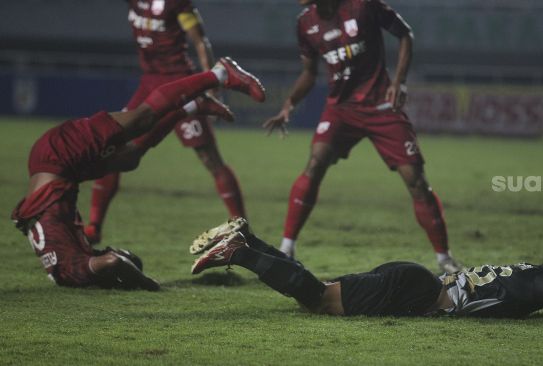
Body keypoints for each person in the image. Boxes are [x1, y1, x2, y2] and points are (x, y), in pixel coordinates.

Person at [11, 59, 265, 290]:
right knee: (129, 158)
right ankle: (190, 107)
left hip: (60, 158)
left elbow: (112, 262)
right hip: (56, 168)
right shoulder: (67, 262)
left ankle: (220, 74)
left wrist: (149, 285)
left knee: (141, 119)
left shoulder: (75, 273)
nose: (122, 254)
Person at [263, 0, 460, 272]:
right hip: (340, 109)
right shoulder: (305, 23)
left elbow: (405, 34)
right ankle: (286, 248)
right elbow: (309, 72)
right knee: (315, 163)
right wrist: (289, 104)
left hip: (380, 105)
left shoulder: (363, 6)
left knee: (416, 181)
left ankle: (445, 259)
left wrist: (399, 81)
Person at [190, 217, 543, 326]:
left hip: (413, 281)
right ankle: (241, 252)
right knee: (317, 300)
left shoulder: (528, 274)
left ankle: (250, 240)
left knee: (318, 290)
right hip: (418, 292)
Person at [84, 0, 249, 244]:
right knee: (113, 149)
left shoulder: (176, 3)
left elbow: (199, 39)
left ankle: (243, 229)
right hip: (149, 85)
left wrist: (210, 82)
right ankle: (94, 227)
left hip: (179, 83)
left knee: (210, 158)